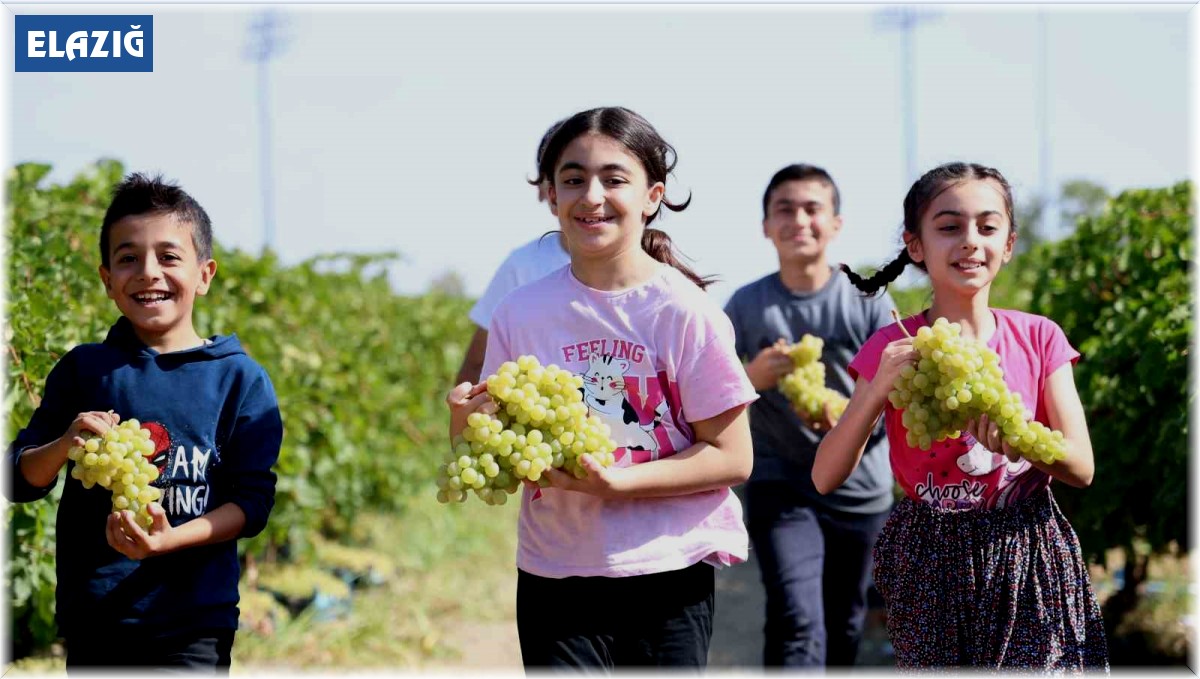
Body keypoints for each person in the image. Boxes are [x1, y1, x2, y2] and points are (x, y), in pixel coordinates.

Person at [446, 106, 756, 670]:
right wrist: (463, 423)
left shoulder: (686, 312)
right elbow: (492, 450)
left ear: (652, 196)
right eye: (572, 179)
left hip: (668, 570)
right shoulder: (521, 312)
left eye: (614, 179)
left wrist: (621, 484)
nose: (591, 195)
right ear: (550, 195)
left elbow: (732, 456)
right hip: (554, 572)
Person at [812, 162, 1109, 669]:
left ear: (1009, 244)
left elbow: (1081, 467)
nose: (970, 241)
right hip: (927, 557)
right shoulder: (893, 347)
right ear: (916, 245)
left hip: (1027, 549)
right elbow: (825, 476)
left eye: (987, 227)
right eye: (949, 227)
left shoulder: (1041, 337)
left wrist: (1021, 444)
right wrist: (875, 389)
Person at [4, 173, 283, 672]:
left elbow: (252, 504)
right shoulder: (85, 370)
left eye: (169, 257)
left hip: (196, 622)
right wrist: (65, 443)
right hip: (97, 618)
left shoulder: (240, 380)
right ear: (107, 279)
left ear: (205, 274)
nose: (148, 272)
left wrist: (170, 540)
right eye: (128, 258)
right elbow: (17, 479)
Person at [723, 164, 895, 667]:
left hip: (859, 488)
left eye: (812, 208)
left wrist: (850, 420)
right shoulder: (745, 305)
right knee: (796, 616)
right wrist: (749, 377)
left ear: (835, 224)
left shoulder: (868, 301)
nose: (799, 220)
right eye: (785, 209)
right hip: (781, 482)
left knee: (843, 623)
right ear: (765, 226)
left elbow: (898, 397)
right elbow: (708, 395)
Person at [455, 121, 571, 385]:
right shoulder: (523, 265)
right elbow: (477, 364)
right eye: (571, 180)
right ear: (545, 191)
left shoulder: (655, 275)